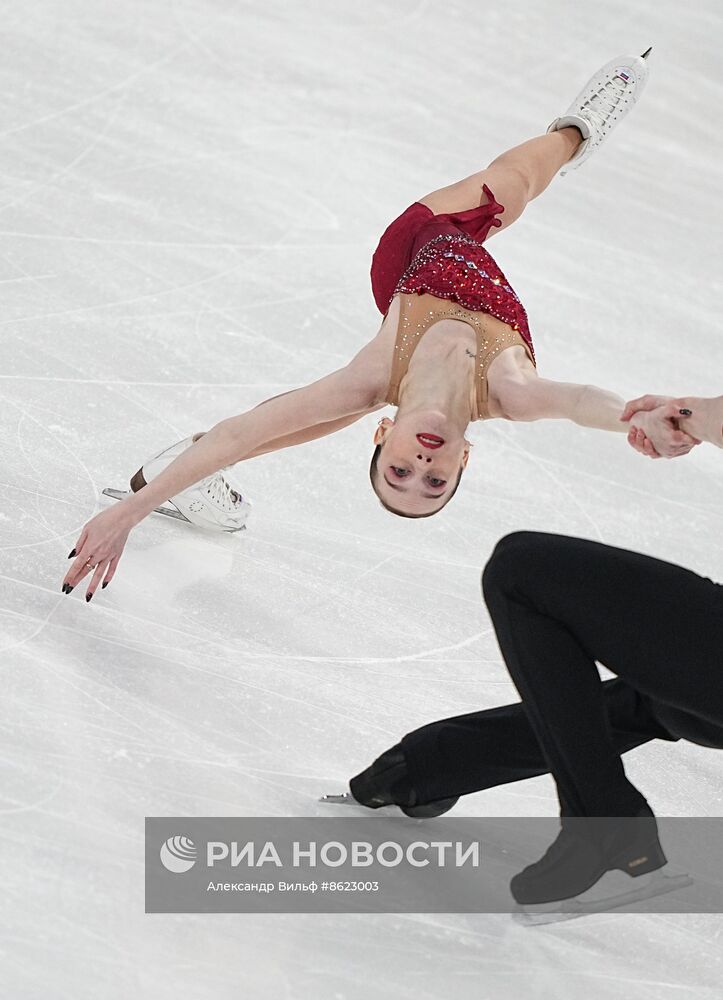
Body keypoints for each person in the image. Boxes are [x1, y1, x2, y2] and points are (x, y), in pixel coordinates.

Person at [62, 50, 699, 601]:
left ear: (386, 436)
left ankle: (567, 135)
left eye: (400, 473)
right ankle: (580, 131)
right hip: (474, 281)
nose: (422, 465)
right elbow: (586, 403)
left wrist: (129, 513)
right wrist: (635, 419)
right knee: (519, 188)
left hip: (419, 248)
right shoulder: (512, 395)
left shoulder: (373, 382)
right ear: (463, 461)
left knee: (322, 406)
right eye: (436, 480)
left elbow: (240, 430)